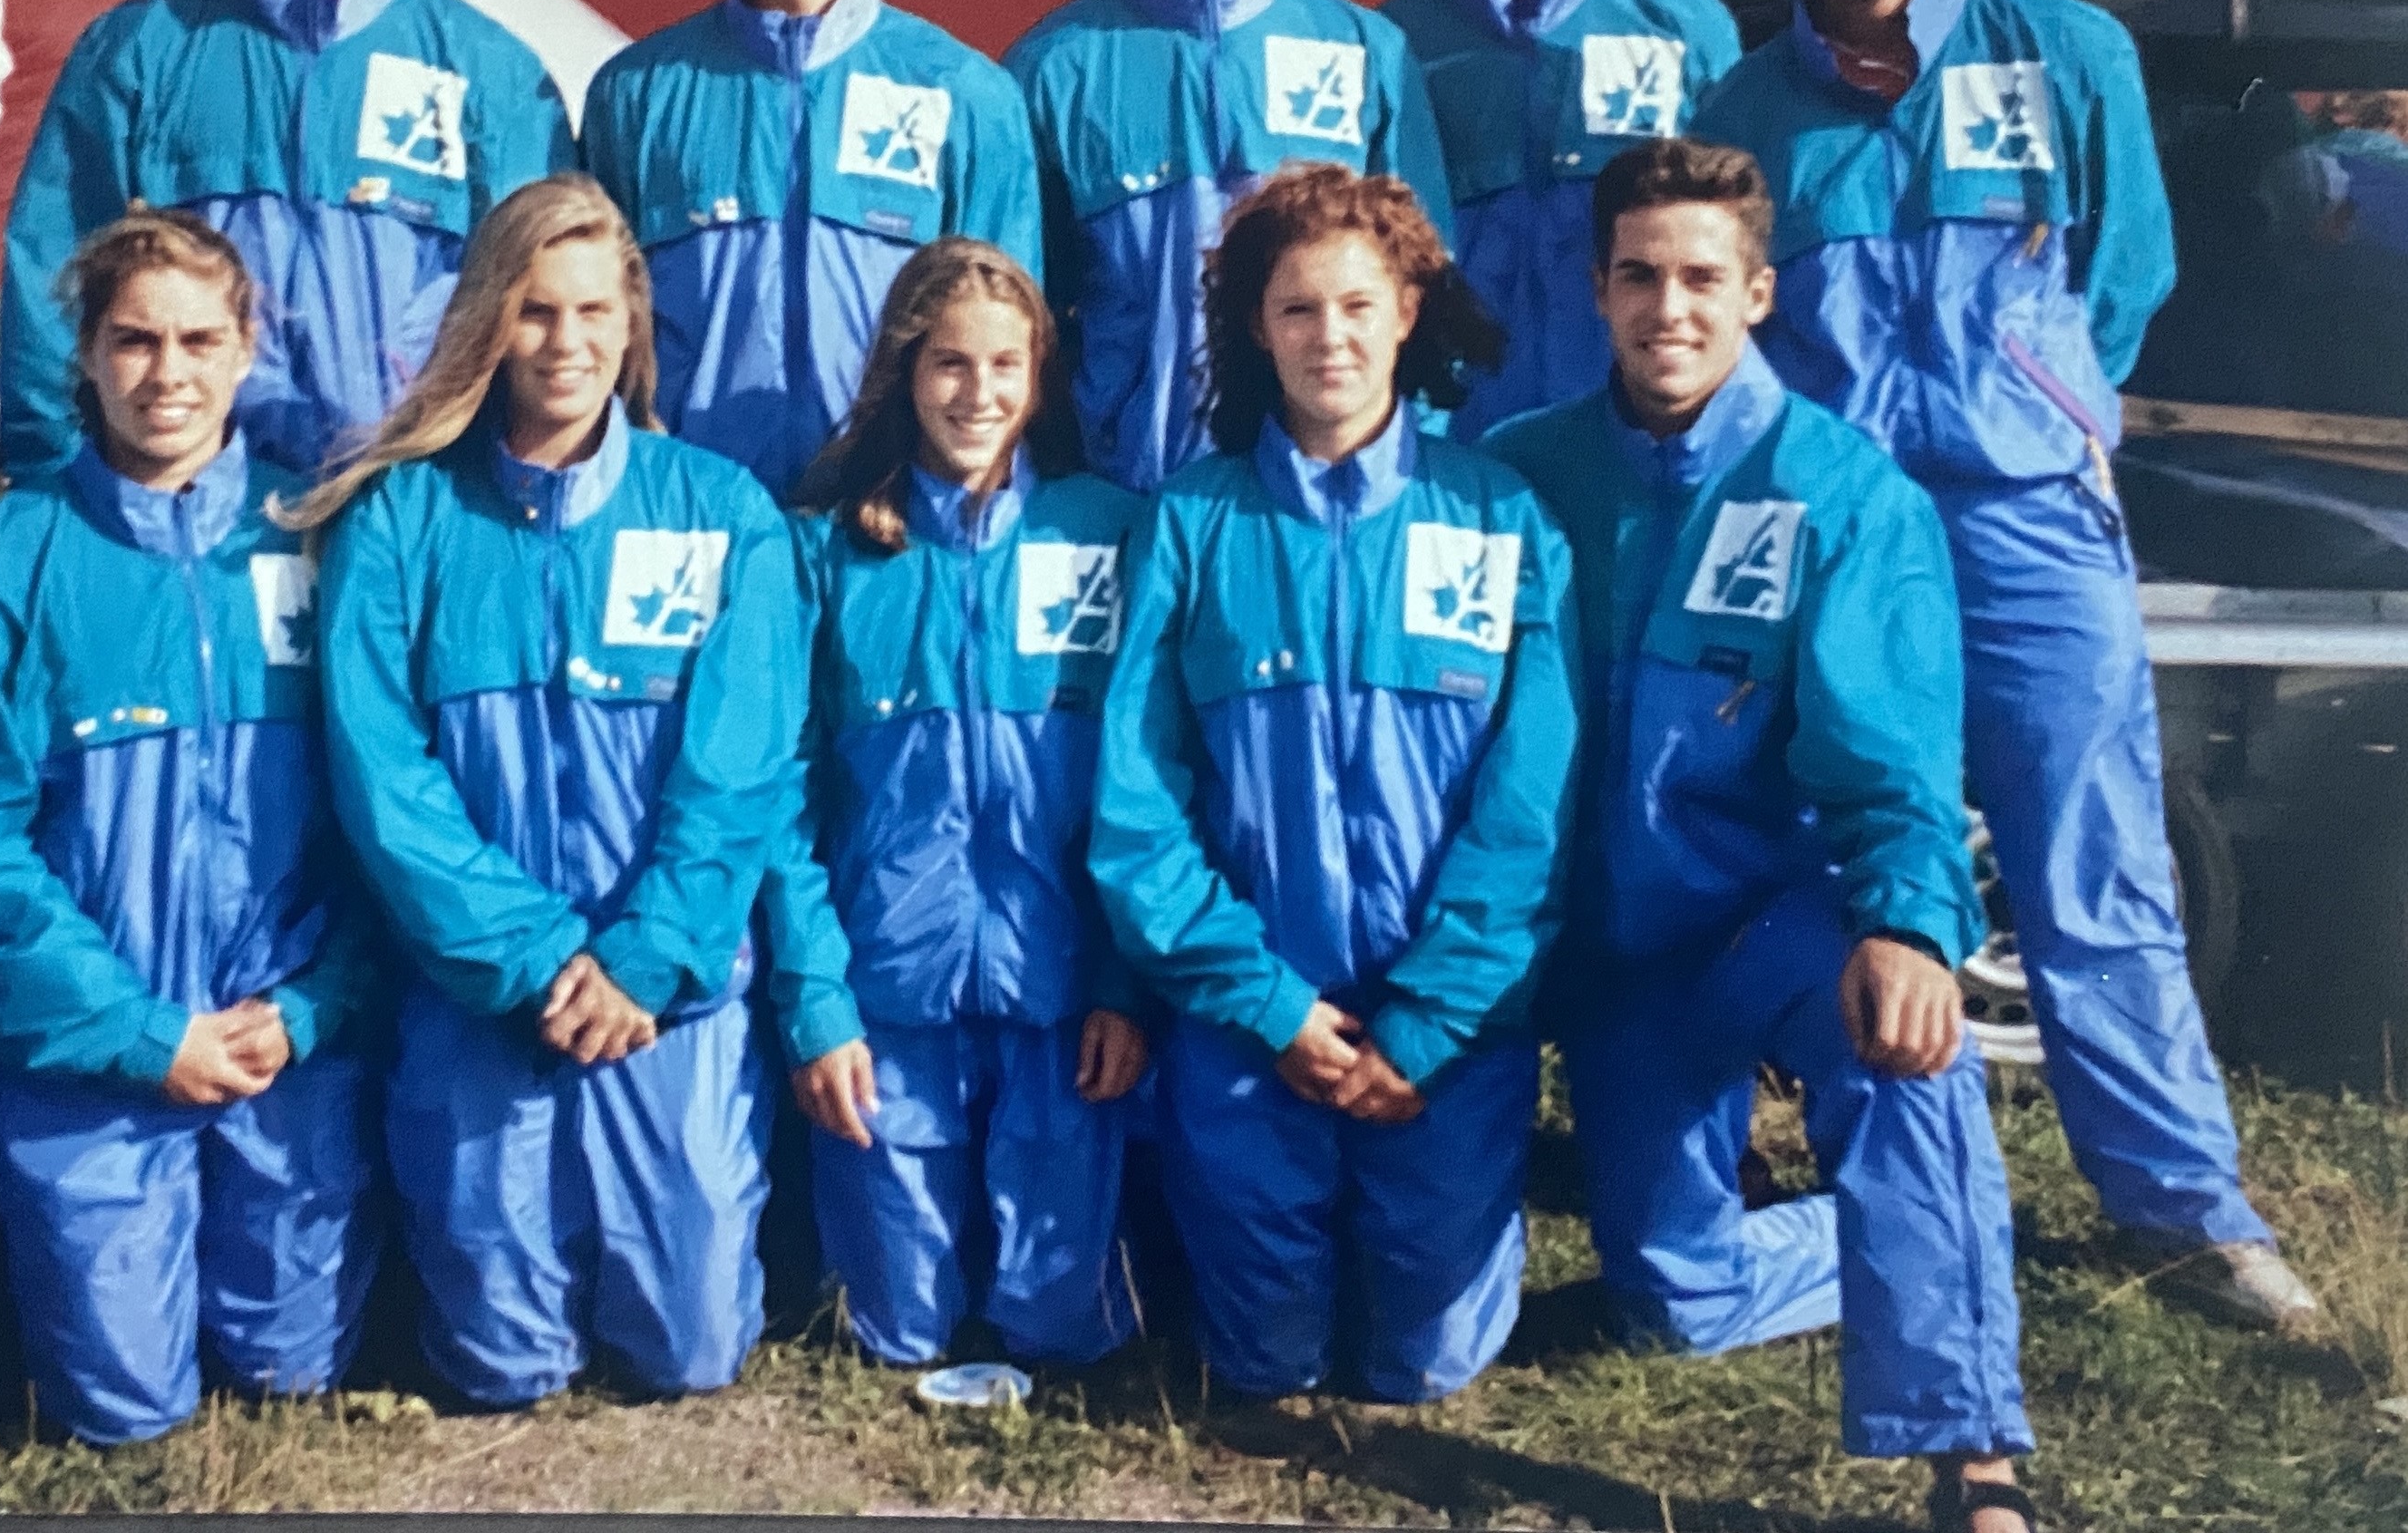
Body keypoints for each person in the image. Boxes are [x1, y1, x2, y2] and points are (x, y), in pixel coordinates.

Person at [1695, 0, 2314, 1331]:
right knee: (1828, 842)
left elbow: (2129, 268)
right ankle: (1865, 1165)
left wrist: (2046, 407)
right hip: (1847, 539)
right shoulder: (1747, 110)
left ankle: (2187, 1209)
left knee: (2087, 857)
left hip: (2029, 520)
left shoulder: (2063, 53)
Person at [1485, 140, 2036, 1533]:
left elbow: (1893, 758)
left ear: (1757, 291)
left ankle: (1971, 1449)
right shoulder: (1519, 474)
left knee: (1908, 1046)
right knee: (1675, 1300)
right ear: (1597, 288)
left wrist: (1907, 926)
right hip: (1611, 962)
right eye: (1639, 277)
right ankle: (1911, 1241)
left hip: (1770, 929)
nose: (1667, 309)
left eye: (1699, 278)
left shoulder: (1842, 496)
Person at [301, 175, 805, 1405]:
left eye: (592, 310)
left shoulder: (721, 512)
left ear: (634, 319)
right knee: (501, 1367)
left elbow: (740, 771)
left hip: (661, 995)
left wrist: (644, 958)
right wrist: (528, 955)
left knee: (688, 1356)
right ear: (488, 320)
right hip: (482, 993)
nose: (564, 342)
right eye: (534, 311)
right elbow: (383, 777)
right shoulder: (402, 515)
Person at [1090, 163, 1575, 1401]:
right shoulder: (1192, 523)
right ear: (1258, 327)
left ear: (1407, 311)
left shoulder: (1499, 516)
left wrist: (1430, 1020)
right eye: (1297, 309)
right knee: (1269, 1365)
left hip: (1448, 1029)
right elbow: (1139, 803)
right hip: (1252, 1018)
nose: (1330, 338)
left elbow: (1533, 806)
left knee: (1423, 1368)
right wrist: (1264, 1004)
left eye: (1358, 305)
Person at [0, 209, 379, 1442]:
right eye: (133, 341)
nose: (168, 373)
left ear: (246, 348)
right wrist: (137, 1030)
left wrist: (316, 1003)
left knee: (291, 1379)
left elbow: (387, 811)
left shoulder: (322, 537)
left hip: (285, 1042)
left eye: (198, 340)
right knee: (122, 1413)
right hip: (93, 1054)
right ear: (85, 353)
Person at [1, 0, 573, 481]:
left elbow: (550, 308)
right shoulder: (139, 51)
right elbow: (51, 283)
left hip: (413, 501)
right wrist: (56, 485)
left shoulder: (490, 73)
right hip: (195, 503)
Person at [763, 238, 1151, 1370]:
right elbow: (781, 803)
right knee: (895, 1334)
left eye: (1005, 365)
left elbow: (1152, 785)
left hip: (1062, 993)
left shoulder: (1106, 531)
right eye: (949, 364)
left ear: (1041, 376)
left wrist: (1124, 984)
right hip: (888, 994)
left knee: (1061, 1332)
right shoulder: (827, 551)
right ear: (903, 371)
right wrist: (817, 1003)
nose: (978, 394)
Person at [1008, 0, 1452, 494]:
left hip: (1320, 497)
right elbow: (1013, 319)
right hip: (1126, 495)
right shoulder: (1053, 67)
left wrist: (1402, 483)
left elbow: (1429, 294)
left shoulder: (1363, 53)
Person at [578, 0, 1042, 499]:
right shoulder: (637, 95)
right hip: (690, 509)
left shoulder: (964, 95)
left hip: (889, 518)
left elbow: (1011, 347)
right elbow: (588, 331)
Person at [1380, 0, 1740, 432]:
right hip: (1457, 436)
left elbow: (1738, 237)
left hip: (1634, 428)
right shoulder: (1397, 42)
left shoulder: (1681, 22)